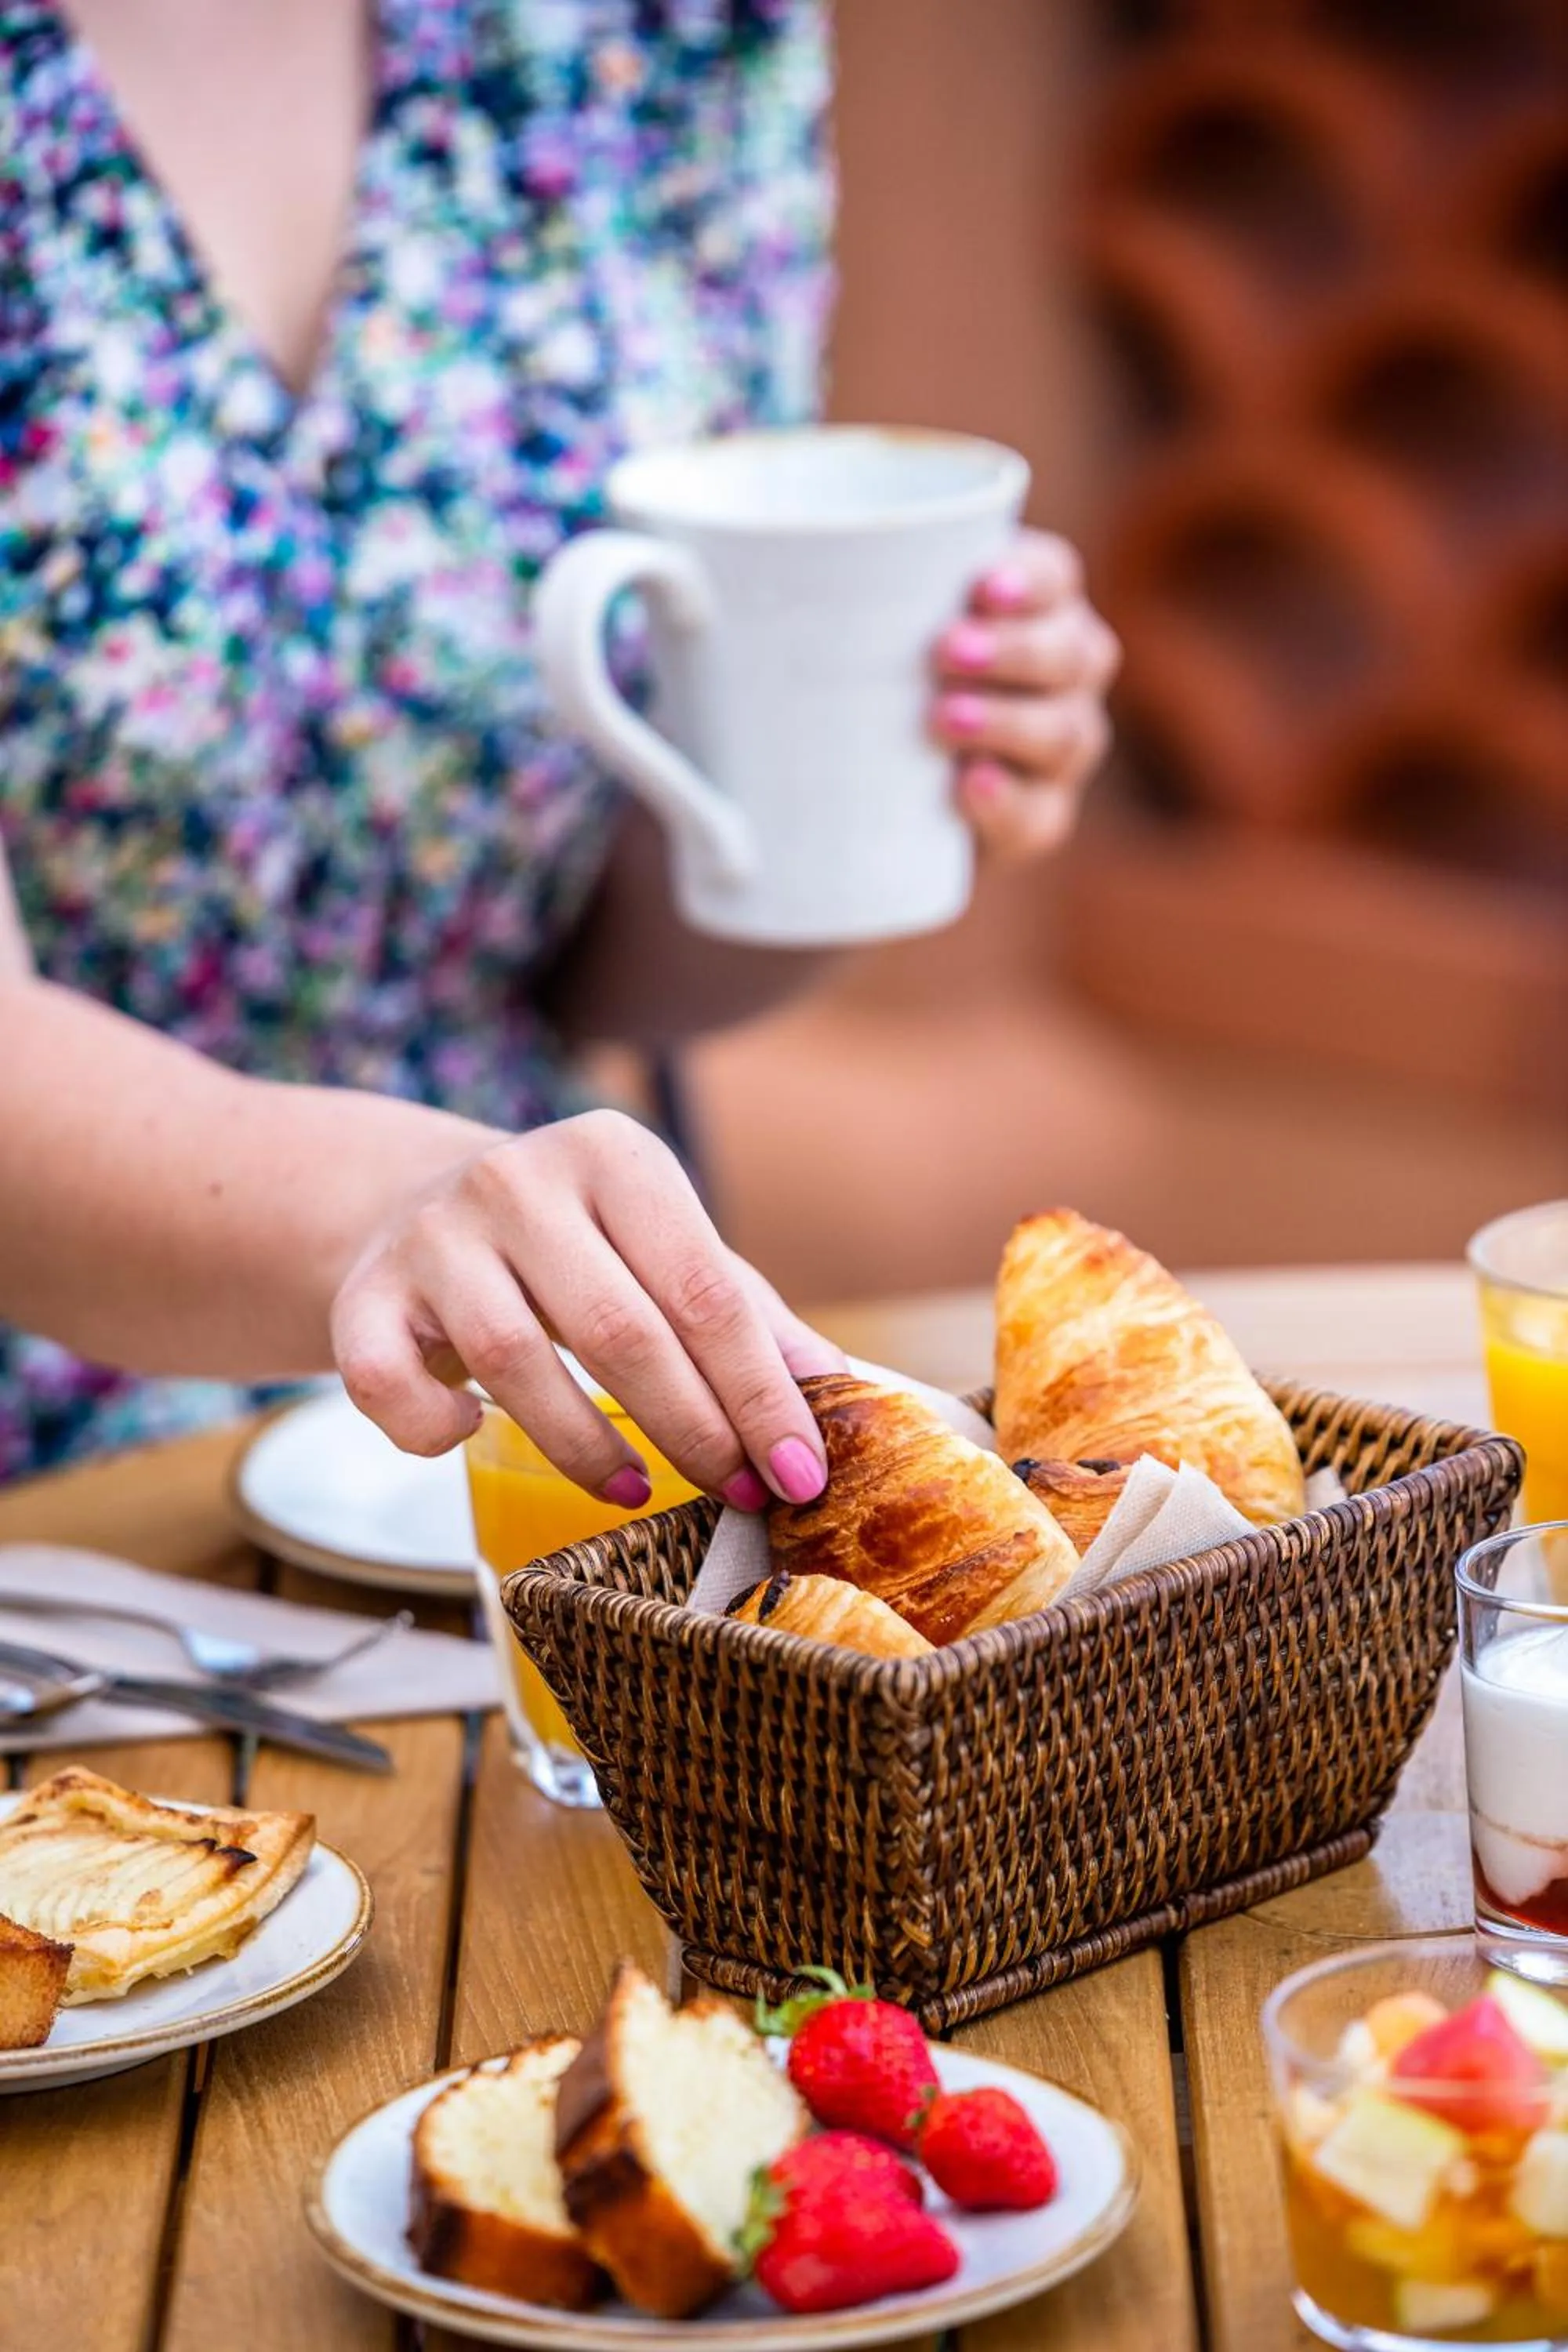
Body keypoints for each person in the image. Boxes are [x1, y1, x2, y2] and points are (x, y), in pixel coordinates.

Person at [0, 0, 1119, 1497]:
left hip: (515, 1425)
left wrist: (876, 782)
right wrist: (404, 1208)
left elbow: (601, 952)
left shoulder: (668, 38)